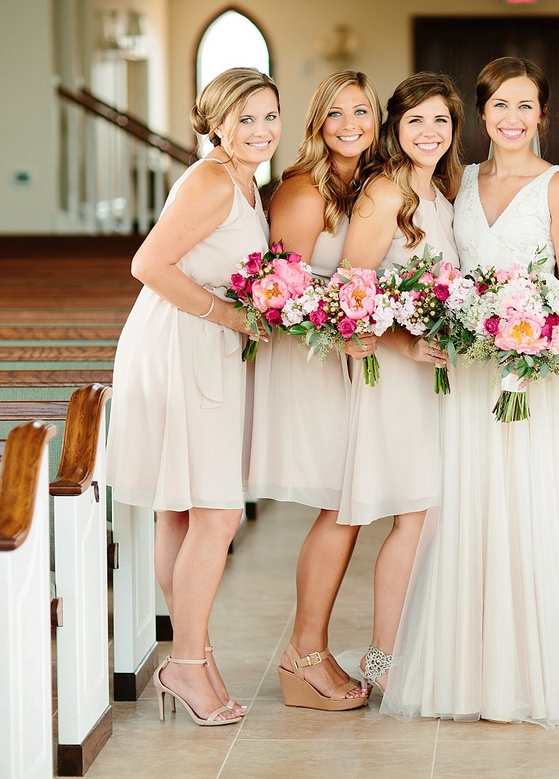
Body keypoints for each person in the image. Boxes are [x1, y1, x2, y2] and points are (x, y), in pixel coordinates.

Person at [382, 56, 559, 727]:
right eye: (500, 106)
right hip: (466, 378)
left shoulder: (557, 187)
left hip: (534, 378)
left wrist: (537, 336)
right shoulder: (457, 185)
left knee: (533, 512)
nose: (513, 119)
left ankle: (534, 670)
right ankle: (464, 671)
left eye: (526, 106)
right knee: (466, 515)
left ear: (542, 115)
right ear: (481, 111)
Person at [105, 67, 279, 726]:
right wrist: (233, 318)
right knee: (216, 512)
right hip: (182, 343)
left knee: (181, 512)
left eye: (269, 116)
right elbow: (146, 265)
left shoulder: (244, 180)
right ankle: (185, 661)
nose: (259, 130)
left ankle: (194, 659)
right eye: (245, 119)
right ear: (214, 124)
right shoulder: (211, 179)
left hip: (196, 340)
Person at [249, 71, 383, 710]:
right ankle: (304, 655)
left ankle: (309, 650)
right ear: (316, 124)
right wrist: (352, 316)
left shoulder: (363, 186)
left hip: (347, 359)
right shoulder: (305, 191)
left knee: (348, 505)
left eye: (362, 111)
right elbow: (282, 295)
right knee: (341, 503)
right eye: (336, 114)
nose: (350, 124)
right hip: (310, 363)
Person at [338, 72, 462, 692]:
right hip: (396, 375)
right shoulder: (386, 192)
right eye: (415, 120)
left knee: (433, 515)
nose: (429, 132)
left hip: (439, 376)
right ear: (395, 127)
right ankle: (382, 658)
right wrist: (408, 344)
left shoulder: (444, 196)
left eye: (440, 120)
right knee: (415, 516)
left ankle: (412, 646)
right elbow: (351, 291)